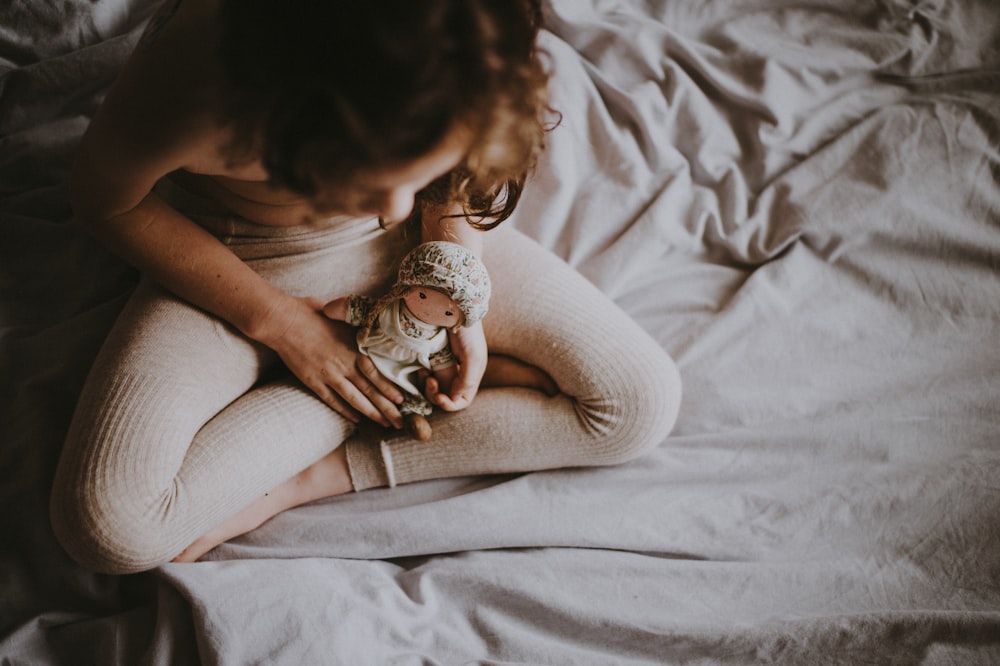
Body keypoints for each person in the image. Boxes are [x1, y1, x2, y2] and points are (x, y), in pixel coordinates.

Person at [50, 0, 682, 574]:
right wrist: (281, 324)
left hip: (419, 269)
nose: (389, 207)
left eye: (417, 171)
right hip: (236, 258)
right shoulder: (194, 80)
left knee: (639, 403)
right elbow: (106, 202)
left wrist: (452, 282)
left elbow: (450, 188)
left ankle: (319, 465)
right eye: (362, 178)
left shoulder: (466, 40)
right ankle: (389, 384)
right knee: (111, 530)